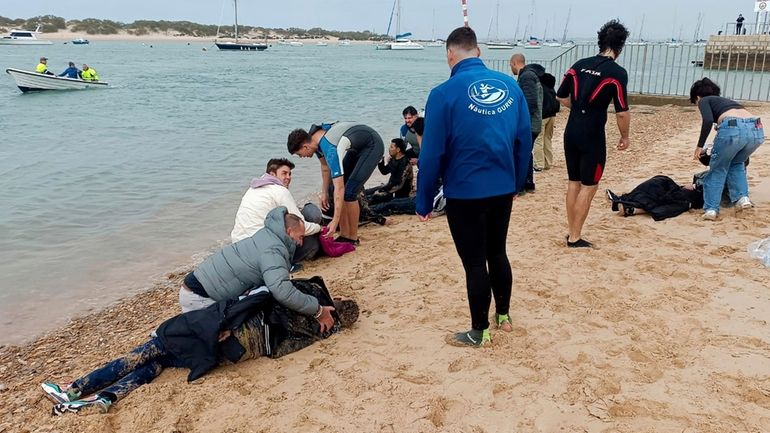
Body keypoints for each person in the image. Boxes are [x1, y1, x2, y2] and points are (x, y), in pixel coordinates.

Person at [40, 277, 359, 415]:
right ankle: (108, 396)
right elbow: (275, 349)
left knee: (149, 349)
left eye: (338, 300)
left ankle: (74, 388)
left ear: (333, 305)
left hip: (224, 333)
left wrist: (225, 322)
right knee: (159, 363)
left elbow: (264, 296)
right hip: (228, 354)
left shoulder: (305, 301)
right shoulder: (316, 336)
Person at [416, 26, 532, 347]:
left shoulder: (443, 94)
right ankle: (504, 317)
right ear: (478, 52)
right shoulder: (511, 86)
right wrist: (517, 184)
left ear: (450, 56)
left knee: (474, 262)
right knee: (497, 251)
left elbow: (431, 156)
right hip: (502, 188)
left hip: (465, 193)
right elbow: (524, 142)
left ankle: (479, 332)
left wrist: (423, 202)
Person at [179, 207, 333, 331]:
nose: (301, 243)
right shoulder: (273, 251)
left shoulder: (266, 235)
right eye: (300, 237)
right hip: (199, 297)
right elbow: (282, 291)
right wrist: (318, 311)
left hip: (197, 283)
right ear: (289, 232)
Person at [556, 20, 631, 248]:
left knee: (573, 183)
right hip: (592, 135)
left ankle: (571, 232)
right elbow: (622, 111)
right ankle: (575, 237)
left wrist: (578, 108)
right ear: (620, 46)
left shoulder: (579, 65)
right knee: (589, 185)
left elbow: (560, 96)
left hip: (571, 131)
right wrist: (624, 137)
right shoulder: (617, 73)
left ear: (600, 41)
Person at [287, 122, 384, 245]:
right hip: (357, 147)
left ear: (305, 147)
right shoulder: (315, 142)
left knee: (350, 193)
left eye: (299, 154)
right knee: (332, 189)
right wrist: (324, 193)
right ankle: (344, 234)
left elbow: (340, 187)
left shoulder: (329, 147)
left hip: (372, 145)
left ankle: (352, 238)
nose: (302, 157)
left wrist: (335, 220)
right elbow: (325, 167)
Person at [689, 77, 764, 220]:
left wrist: (699, 146)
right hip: (756, 129)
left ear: (697, 97)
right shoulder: (729, 102)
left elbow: (708, 120)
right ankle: (743, 199)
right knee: (737, 164)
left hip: (733, 128)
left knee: (718, 169)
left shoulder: (704, 100)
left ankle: (711, 209)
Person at [231, 158, 323, 263]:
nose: (288, 177)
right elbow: (303, 227)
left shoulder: (253, 188)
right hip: (263, 251)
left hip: (239, 247)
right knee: (313, 242)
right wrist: (320, 228)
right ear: (272, 174)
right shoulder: (280, 191)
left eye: (290, 174)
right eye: (284, 173)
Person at [510, 53, 543, 192]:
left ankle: (523, 184)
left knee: (521, 152)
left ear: (514, 63)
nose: (511, 68)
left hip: (529, 123)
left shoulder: (526, 76)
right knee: (526, 152)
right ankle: (528, 183)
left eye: (510, 65)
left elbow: (530, 102)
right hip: (533, 122)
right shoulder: (530, 75)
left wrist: (518, 119)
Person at [364, 138, 413, 205]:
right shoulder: (394, 159)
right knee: (367, 192)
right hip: (390, 187)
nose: (389, 149)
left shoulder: (405, 163)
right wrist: (381, 161)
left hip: (398, 194)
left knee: (374, 197)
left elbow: (398, 185)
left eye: (391, 147)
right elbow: (384, 171)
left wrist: (382, 190)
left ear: (398, 150)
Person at [535, 73, 560, 171]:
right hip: (552, 115)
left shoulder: (540, 88)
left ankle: (539, 164)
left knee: (538, 140)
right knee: (547, 139)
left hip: (542, 116)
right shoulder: (551, 88)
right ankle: (548, 163)